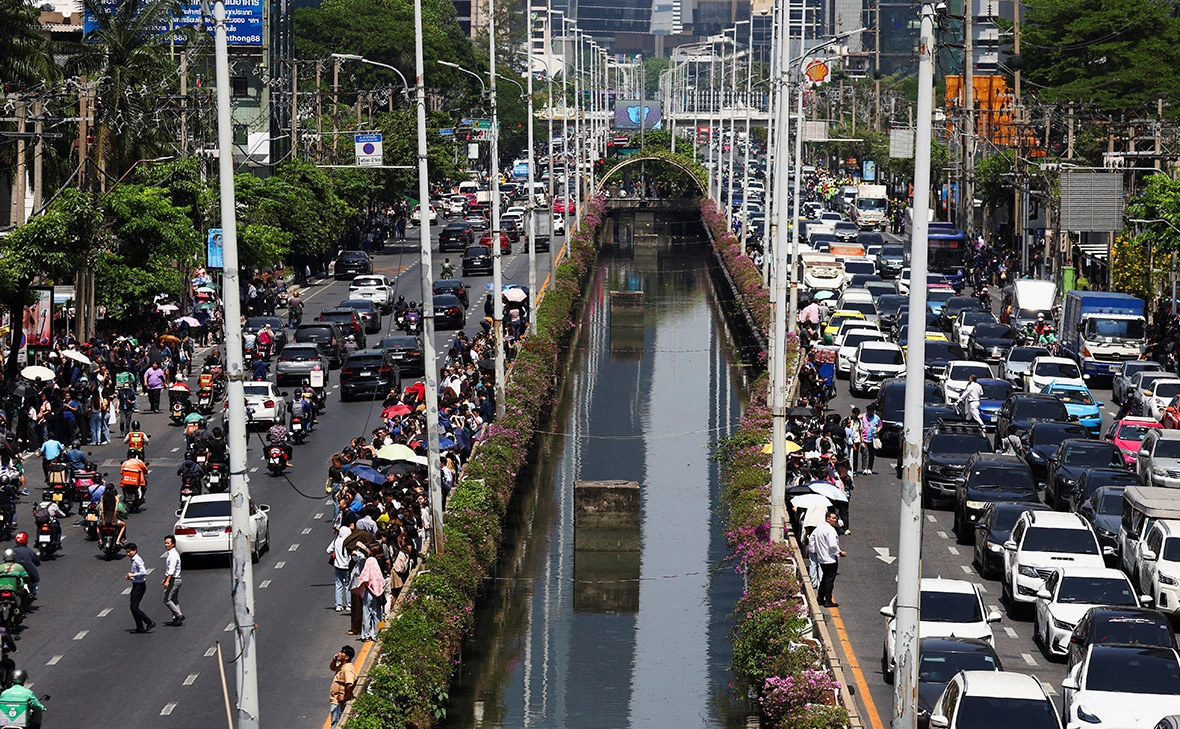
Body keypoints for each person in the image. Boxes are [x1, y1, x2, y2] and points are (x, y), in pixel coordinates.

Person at [808, 508, 846, 608]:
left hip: (821, 558)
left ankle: (820, 598)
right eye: (833, 518)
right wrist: (839, 552)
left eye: (835, 518)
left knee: (825, 578)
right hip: (830, 559)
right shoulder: (830, 530)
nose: (835, 520)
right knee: (829, 580)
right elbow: (833, 545)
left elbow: (811, 539)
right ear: (827, 519)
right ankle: (828, 600)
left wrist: (814, 551)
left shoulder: (818, 528)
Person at [124, 542, 155, 633]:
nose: (128, 554)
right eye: (127, 552)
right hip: (136, 584)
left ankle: (149, 622)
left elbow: (144, 572)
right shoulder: (133, 559)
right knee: (134, 607)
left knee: (134, 607)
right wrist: (131, 576)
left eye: (129, 552)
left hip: (139, 586)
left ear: (135, 551)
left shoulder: (137, 560)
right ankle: (139, 627)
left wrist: (133, 574)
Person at [328, 645, 357, 729]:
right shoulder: (342, 665)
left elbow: (350, 684)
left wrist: (345, 697)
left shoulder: (347, 669)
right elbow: (332, 667)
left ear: (347, 657)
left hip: (339, 702)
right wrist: (334, 659)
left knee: (336, 724)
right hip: (335, 700)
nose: (339, 653)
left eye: (342, 652)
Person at [9, 534, 40, 599]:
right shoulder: (28, 550)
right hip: (27, 568)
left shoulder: (11, 550)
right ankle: (33, 593)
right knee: (36, 579)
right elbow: (36, 560)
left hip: (14, 570)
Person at [162, 535, 184, 626]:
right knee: (174, 600)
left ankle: (179, 615)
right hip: (174, 579)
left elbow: (172, 569)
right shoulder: (171, 553)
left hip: (174, 580)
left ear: (173, 544)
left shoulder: (173, 555)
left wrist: (167, 581)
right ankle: (176, 619)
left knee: (166, 599)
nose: (166, 545)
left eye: (168, 543)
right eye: (165, 543)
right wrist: (166, 579)